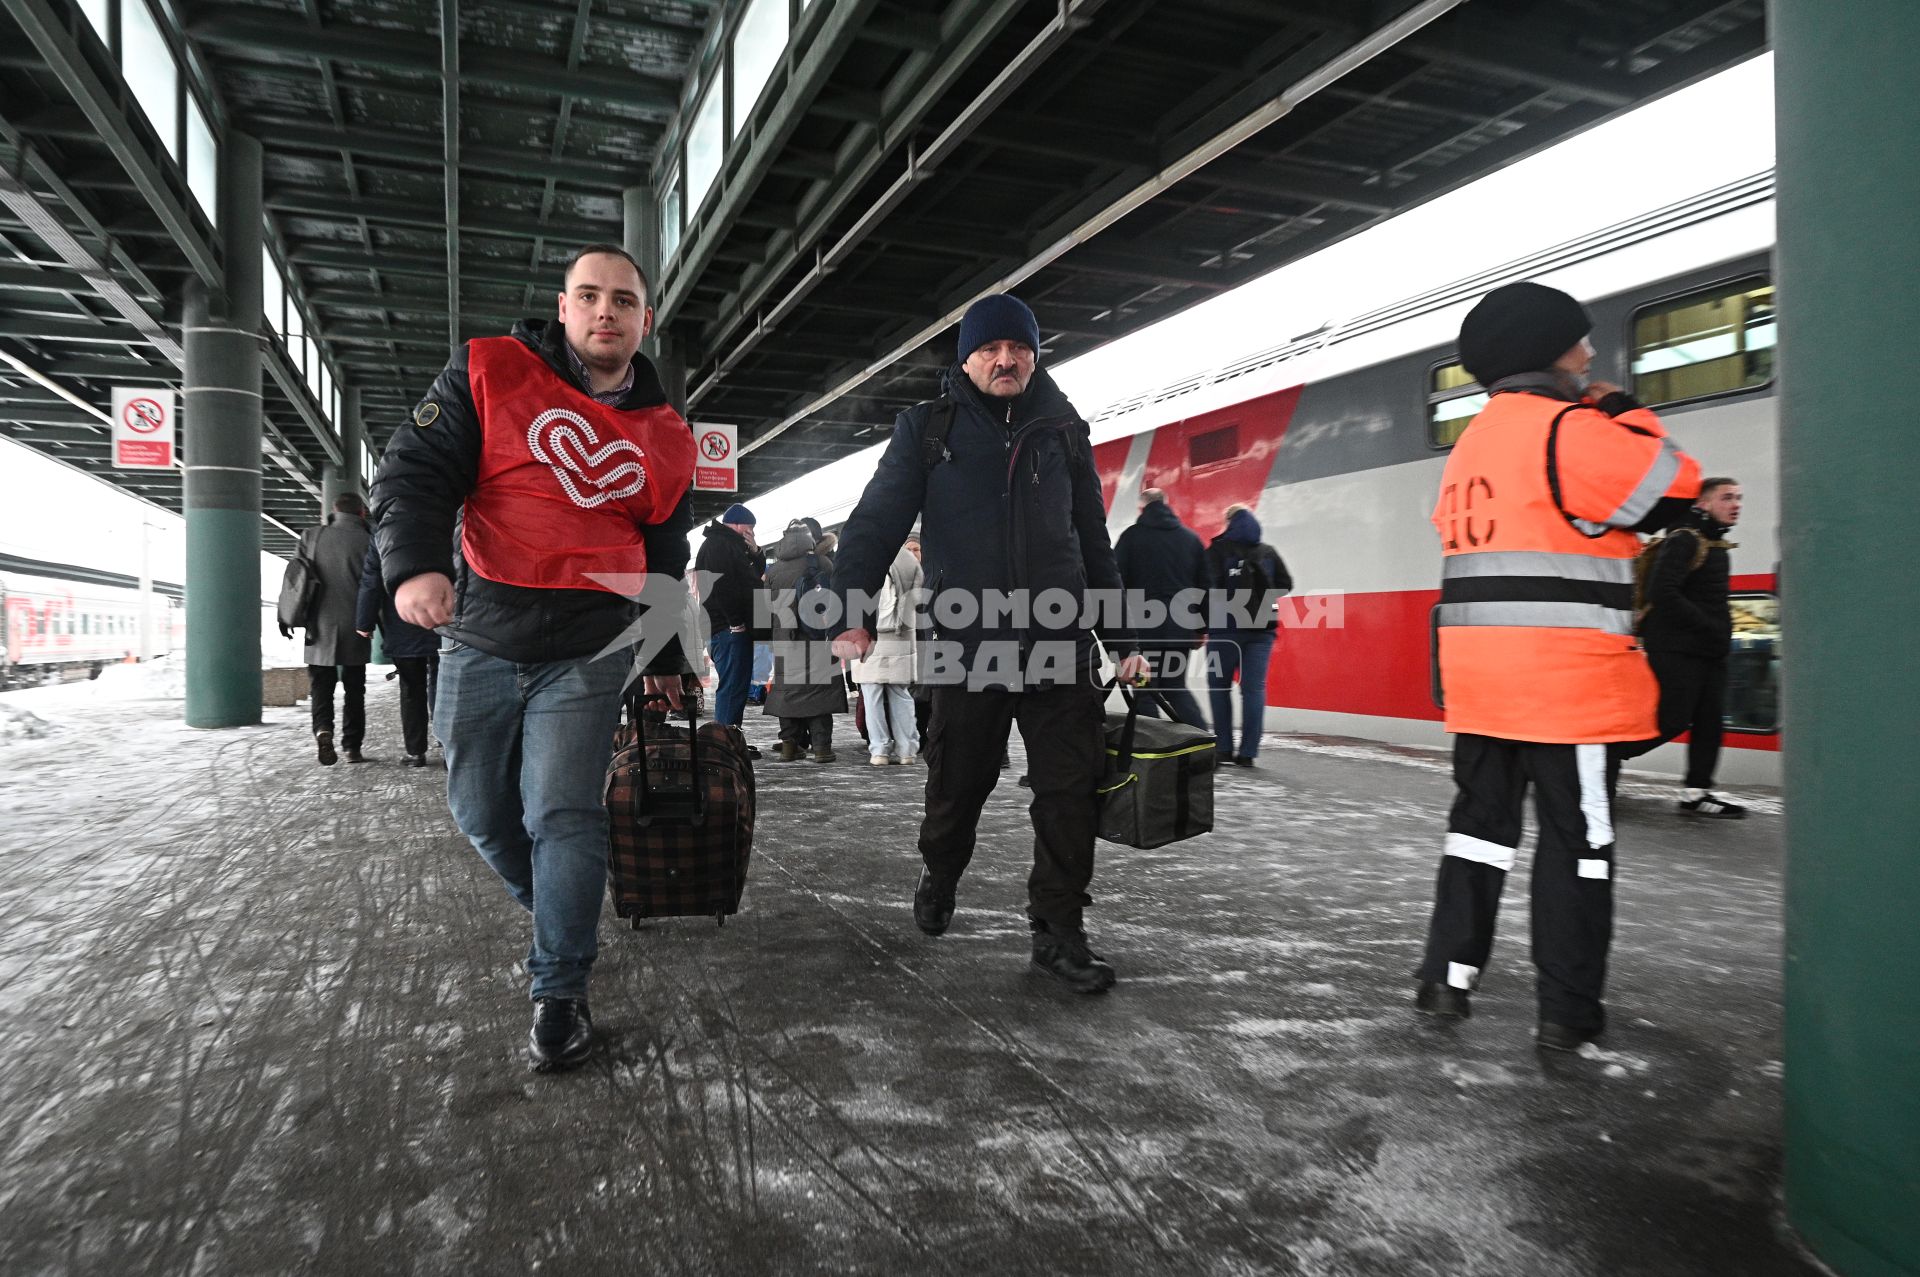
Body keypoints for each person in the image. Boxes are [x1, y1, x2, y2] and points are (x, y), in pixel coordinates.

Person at [370, 243, 696, 1074]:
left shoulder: (665, 434)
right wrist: (413, 565)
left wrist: (663, 652)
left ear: (644, 319)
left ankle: (560, 986)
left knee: (561, 812)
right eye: (589, 296)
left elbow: (664, 546)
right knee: (480, 809)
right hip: (481, 634)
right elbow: (415, 469)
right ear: (563, 307)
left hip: (588, 648)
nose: (605, 312)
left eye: (623, 300)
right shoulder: (487, 370)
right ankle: (566, 908)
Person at [1413, 281, 1701, 1053]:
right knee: (1580, 846)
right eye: (1580, 341)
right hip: (1566, 689)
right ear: (1546, 352)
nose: (1591, 353)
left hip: (1481, 686)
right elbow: (1677, 485)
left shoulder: (1474, 441)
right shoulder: (1568, 430)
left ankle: (1448, 978)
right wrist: (1625, 410)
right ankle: (1567, 1009)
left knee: (1478, 832)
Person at [829, 293, 1146, 994]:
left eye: (1019, 348)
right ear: (967, 358)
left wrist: (1122, 638)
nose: (1006, 360)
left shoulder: (1064, 430)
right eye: (990, 349)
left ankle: (1058, 932)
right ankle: (941, 870)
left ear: (1035, 354)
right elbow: (875, 523)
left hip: (1059, 645)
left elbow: (1093, 543)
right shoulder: (928, 428)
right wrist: (849, 610)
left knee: (1069, 790)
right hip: (967, 648)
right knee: (958, 786)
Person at [1617, 477, 1746, 817]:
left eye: (1738, 498)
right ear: (1703, 504)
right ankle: (1607, 753)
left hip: (1709, 651)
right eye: (1727, 497)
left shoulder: (1715, 544)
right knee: (1672, 719)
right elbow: (1663, 593)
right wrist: (1708, 625)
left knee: (1709, 722)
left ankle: (1697, 792)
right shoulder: (1684, 540)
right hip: (1677, 649)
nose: (1736, 505)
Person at [285, 493, 373, 766]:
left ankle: (323, 729)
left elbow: (294, 579)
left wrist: (287, 615)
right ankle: (352, 746)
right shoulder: (369, 540)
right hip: (356, 625)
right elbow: (376, 584)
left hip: (319, 625)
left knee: (321, 686)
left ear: (333, 511)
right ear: (361, 513)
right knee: (355, 689)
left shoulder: (311, 536)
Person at [1114, 488, 1211, 730]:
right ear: (1167, 504)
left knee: (1145, 691)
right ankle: (1204, 744)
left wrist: (1118, 630)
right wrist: (1201, 628)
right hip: (1181, 628)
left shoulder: (1131, 538)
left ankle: (1156, 750)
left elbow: (1115, 583)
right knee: (1175, 687)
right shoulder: (1190, 539)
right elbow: (1205, 587)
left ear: (1142, 507)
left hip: (1143, 629)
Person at [1203, 504, 1290, 765]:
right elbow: (1285, 585)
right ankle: (1249, 753)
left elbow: (1204, 588)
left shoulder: (1218, 551)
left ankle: (1223, 748)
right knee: (1253, 690)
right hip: (1262, 631)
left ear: (1229, 523)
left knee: (1219, 688)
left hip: (1224, 631)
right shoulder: (1268, 552)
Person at [764, 517, 846, 762]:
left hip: (785, 641)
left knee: (788, 694)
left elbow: (765, 611)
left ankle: (789, 746)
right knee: (818, 694)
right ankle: (822, 748)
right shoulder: (823, 564)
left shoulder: (773, 571)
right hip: (817, 638)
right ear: (810, 540)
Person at [354, 531, 438, 767]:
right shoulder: (445, 519)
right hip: (444, 620)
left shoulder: (384, 533)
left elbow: (372, 581)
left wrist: (364, 622)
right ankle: (449, 746)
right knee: (444, 684)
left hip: (404, 622)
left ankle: (416, 751)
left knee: (412, 689)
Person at [694, 501, 764, 753]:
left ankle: (731, 739)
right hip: (727, 628)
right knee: (732, 686)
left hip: (730, 626)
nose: (752, 532)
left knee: (737, 685)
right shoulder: (719, 545)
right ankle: (723, 744)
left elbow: (752, 579)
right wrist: (735, 622)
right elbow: (721, 587)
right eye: (749, 527)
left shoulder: (732, 545)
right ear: (735, 524)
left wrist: (756, 552)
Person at [853, 539, 924, 765]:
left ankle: (879, 750)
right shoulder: (908, 559)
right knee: (901, 694)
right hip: (900, 634)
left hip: (869, 633)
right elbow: (920, 595)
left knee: (872, 695)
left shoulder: (862, 554)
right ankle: (907, 750)